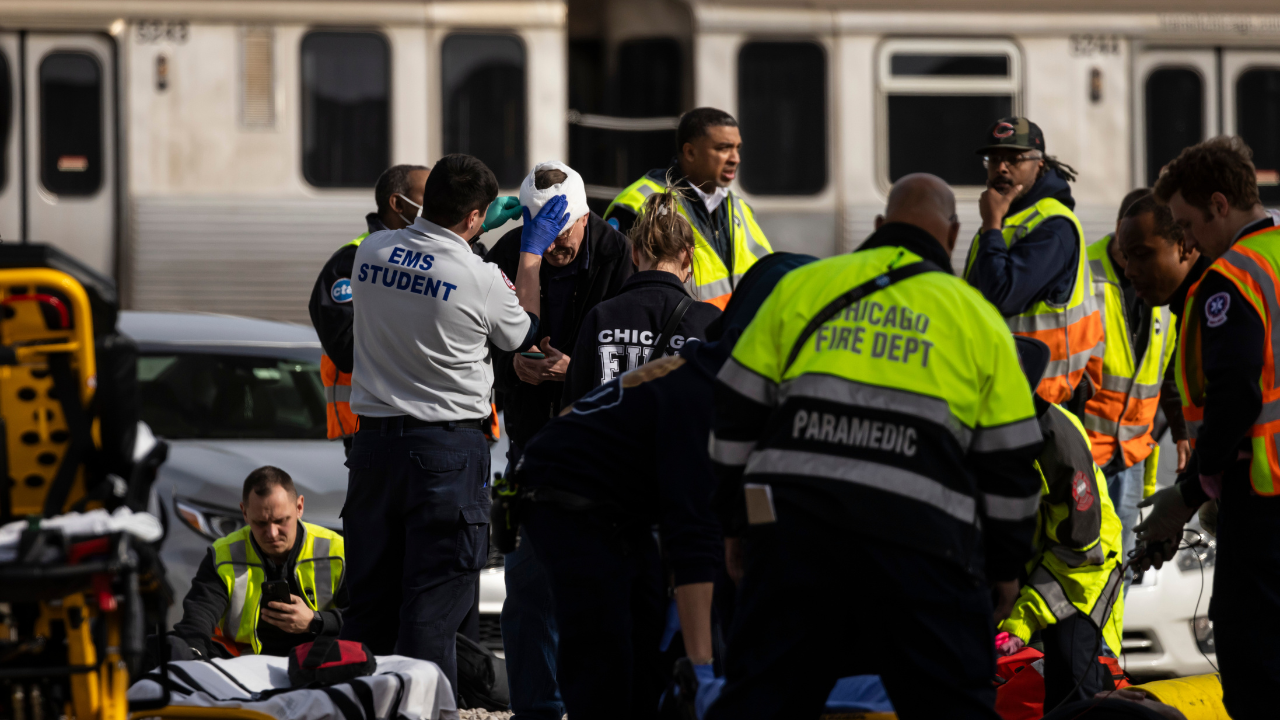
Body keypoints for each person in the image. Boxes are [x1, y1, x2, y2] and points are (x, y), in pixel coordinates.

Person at [706, 174, 1044, 720]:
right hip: (923, 551)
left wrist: (737, 525)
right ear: (954, 236)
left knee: (763, 701)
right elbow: (1009, 466)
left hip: (795, 539)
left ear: (881, 226)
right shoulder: (977, 318)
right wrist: (1004, 568)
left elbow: (733, 417)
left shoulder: (802, 287)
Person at [513, 252, 816, 720]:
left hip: (609, 499)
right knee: (609, 650)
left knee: (647, 633)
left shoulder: (720, 368)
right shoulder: (708, 394)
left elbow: (734, 496)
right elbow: (692, 530)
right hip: (565, 496)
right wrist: (703, 669)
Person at [340, 154, 555, 697]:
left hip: (370, 450)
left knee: (368, 606)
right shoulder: (477, 276)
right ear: (477, 217)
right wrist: (528, 255)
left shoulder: (371, 251)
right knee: (432, 614)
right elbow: (523, 332)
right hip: (445, 453)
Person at [1134, 136, 1280, 720]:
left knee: (1255, 660)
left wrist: (1188, 493)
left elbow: (1236, 396)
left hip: (1265, 500)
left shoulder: (1231, 278)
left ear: (1221, 205)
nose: (1185, 239)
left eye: (1187, 222)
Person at [484, 160, 631, 720]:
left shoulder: (616, 255)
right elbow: (488, 340)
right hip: (534, 441)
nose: (554, 246)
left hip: (599, 445)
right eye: (540, 231)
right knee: (529, 584)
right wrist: (510, 367)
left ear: (585, 217)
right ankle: (538, 709)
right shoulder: (510, 255)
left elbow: (630, 350)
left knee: (599, 584)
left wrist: (577, 371)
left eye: (562, 231)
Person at [996, 373, 1126, 709]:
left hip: (1081, 574)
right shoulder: (988, 433)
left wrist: (1020, 619)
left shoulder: (1057, 446)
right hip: (1037, 565)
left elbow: (1077, 552)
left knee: (1073, 688)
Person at [963, 117, 1103, 405]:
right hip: (999, 390)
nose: (1001, 168)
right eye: (994, 159)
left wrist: (991, 224)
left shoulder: (1054, 225)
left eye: (1014, 159)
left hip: (1038, 402)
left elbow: (1002, 296)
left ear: (1040, 165)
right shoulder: (1006, 218)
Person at [1081, 190, 1178, 589]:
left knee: (1117, 570)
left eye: (1142, 252)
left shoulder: (1163, 285)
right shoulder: (1085, 273)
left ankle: (1105, 650)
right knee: (1080, 562)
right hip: (1085, 451)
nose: (1134, 263)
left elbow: (1167, 371)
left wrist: (1181, 433)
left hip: (1130, 456)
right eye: (1128, 251)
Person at [563, 184, 723, 404]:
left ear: (635, 254)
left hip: (610, 438)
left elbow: (574, 408)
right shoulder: (710, 322)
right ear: (687, 257)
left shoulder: (601, 317)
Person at [310, 164, 429, 452]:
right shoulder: (349, 264)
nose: (441, 204)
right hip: (374, 431)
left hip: (438, 430)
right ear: (398, 203)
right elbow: (346, 348)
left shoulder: (449, 255)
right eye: (430, 196)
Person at [604, 108, 772, 309]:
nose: (735, 158)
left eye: (737, 148)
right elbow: (614, 292)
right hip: (679, 337)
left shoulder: (738, 206)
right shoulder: (638, 204)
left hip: (736, 337)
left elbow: (769, 272)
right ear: (690, 152)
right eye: (723, 148)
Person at [173, 466, 346, 658]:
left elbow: (369, 616)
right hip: (243, 668)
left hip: (321, 663)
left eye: (281, 521)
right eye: (261, 523)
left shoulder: (337, 551)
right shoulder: (223, 555)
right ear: (244, 513)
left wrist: (316, 621)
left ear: (299, 507)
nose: (272, 533)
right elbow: (198, 618)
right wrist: (192, 655)